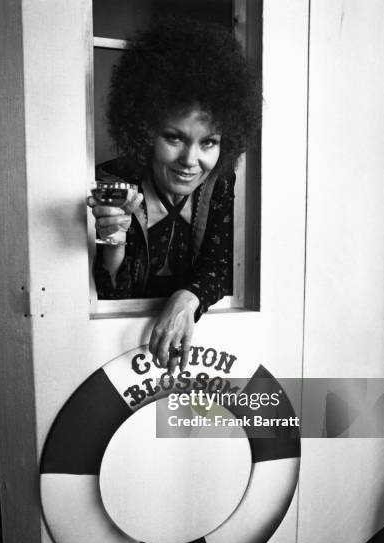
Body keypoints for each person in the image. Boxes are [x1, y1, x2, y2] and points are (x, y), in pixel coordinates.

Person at [89, 17, 259, 372]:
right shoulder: (113, 184)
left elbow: (221, 269)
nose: (190, 160)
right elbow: (110, 299)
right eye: (175, 137)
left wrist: (187, 298)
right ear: (146, 131)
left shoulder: (222, 188)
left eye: (208, 142)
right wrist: (112, 240)